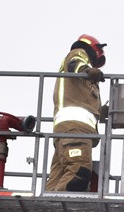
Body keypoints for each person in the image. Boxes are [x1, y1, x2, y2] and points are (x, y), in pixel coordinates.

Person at [46, 34, 107, 192]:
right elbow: (76, 64)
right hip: (76, 131)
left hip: (66, 133)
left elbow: (86, 104)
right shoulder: (79, 53)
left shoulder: (79, 85)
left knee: (56, 181)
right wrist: (88, 70)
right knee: (79, 173)